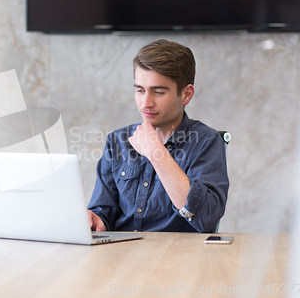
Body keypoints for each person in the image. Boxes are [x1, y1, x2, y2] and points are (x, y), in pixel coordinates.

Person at [87, 39, 229, 233]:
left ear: (186, 94)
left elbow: (206, 219)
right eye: (140, 90)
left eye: (158, 92)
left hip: (178, 257)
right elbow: (103, 211)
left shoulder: (206, 142)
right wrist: (96, 219)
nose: (146, 103)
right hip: (121, 255)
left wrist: (155, 151)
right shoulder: (117, 141)